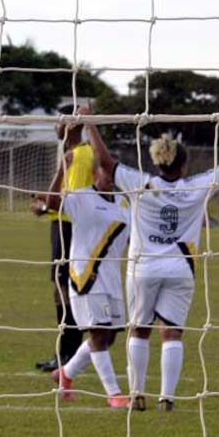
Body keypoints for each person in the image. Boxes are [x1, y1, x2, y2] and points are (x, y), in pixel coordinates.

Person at [87, 118, 219, 411]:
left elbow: (106, 163)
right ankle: (167, 398)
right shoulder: (196, 187)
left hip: (143, 268)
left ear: (158, 162)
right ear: (183, 165)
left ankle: (137, 394)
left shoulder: (141, 184)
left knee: (139, 330)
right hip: (180, 270)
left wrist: (89, 124)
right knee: (172, 332)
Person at [41, 155, 131, 408]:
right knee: (99, 334)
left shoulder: (125, 202)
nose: (110, 178)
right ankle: (114, 394)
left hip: (112, 279)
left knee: (110, 337)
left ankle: (65, 374)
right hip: (87, 278)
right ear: (95, 174)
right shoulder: (81, 197)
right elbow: (50, 202)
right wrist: (61, 169)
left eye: (113, 173)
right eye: (105, 172)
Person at [30, 108, 94, 373]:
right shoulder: (72, 154)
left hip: (70, 230)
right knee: (60, 289)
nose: (56, 124)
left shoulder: (79, 156)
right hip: (62, 227)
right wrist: (45, 205)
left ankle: (69, 352)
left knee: (66, 290)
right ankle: (64, 351)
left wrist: (43, 203)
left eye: (60, 119)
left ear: (72, 125)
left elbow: (69, 200)